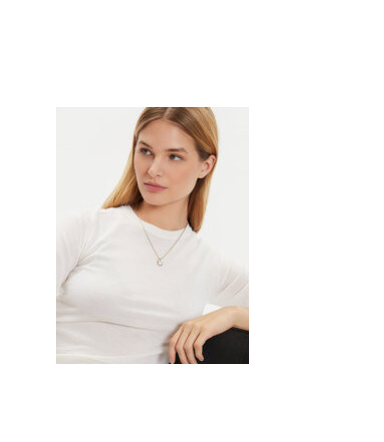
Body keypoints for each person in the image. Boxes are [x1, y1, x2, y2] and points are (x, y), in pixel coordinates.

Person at [56, 107, 249, 364]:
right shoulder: (87, 228)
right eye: (146, 151)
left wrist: (233, 315)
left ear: (205, 166)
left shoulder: (209, 263)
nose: (153, 169)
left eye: (174, 157)